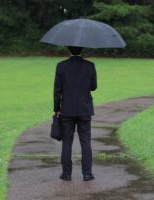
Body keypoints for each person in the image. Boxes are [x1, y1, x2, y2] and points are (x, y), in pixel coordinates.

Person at [53, 46, 97, 181]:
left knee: (67, 142)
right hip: (84, 109)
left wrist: (57, 109)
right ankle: (87, 174)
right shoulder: (90, 66)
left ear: (68, 50)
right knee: (85, 142)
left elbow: (57, 90)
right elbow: (94, 87)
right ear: (82, 50)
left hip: (67, 109)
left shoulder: (61, 66)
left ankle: (66, 174)